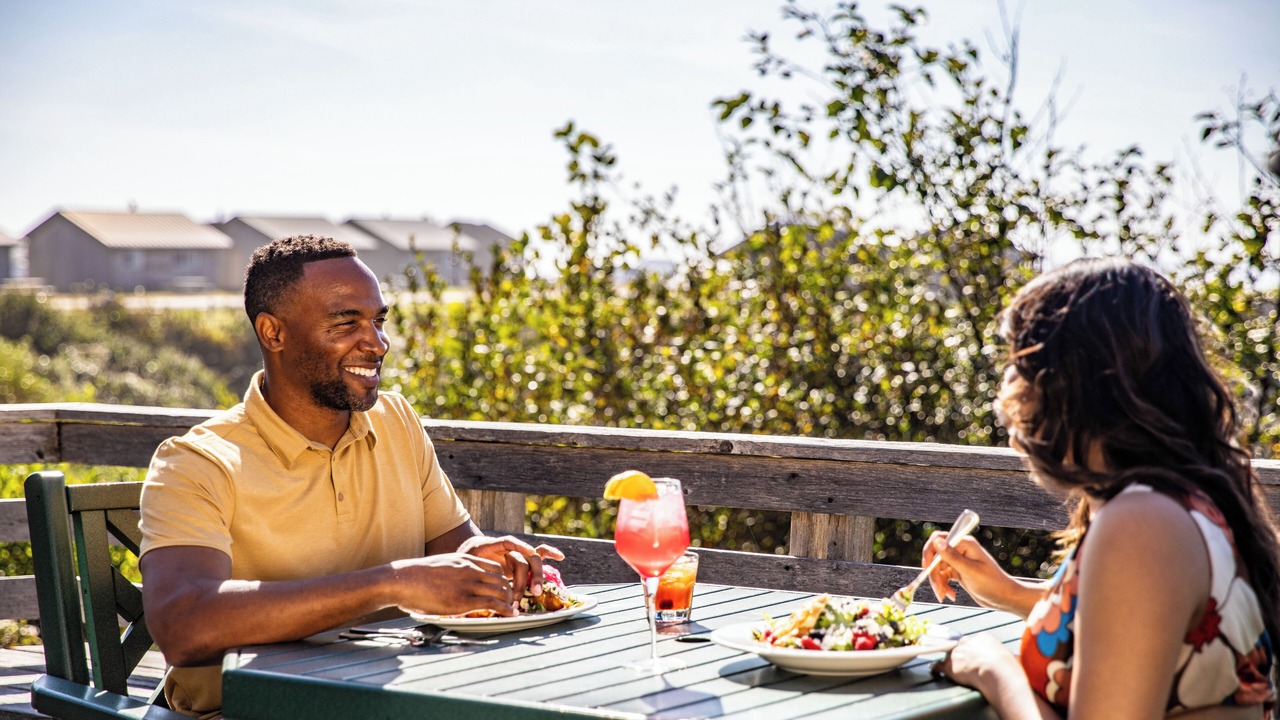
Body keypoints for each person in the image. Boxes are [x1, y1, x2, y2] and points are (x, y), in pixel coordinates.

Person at [138, 235, 562, 718]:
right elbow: (183, 623)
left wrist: (481, 563)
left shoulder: (397, 421)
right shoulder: (196, 461)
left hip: (397, 701)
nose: (377, 343)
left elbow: (452, 552)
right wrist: (389, 582)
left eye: (378, 321)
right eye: (346, 323)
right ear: (273, 333)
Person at [923, 258, 1279, 718]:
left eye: (1021, 364)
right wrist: (1011, 593)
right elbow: (1138, 627)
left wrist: (993, 667)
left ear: (1074, 382)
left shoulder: (1142, 526)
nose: (1009, 387)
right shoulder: (1183, 502)